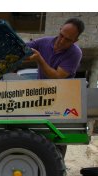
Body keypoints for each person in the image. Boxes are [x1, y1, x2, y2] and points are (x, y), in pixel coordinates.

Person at [26, 17, 85, 158]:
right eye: (61, 35)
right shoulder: (44, 42)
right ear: (60, 30)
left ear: (75, 41)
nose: (62, 41)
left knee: (58, 137)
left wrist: (40, 59)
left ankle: (57, 171)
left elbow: (57, 76)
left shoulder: (75, 53)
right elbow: (24, 48)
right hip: (40, 97)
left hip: (61, 100)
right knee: (37, 136)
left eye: (68, 39)